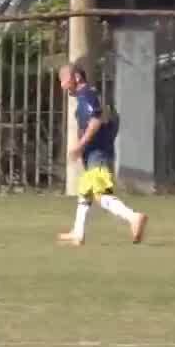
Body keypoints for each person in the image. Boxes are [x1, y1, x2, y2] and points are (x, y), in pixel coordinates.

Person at [57, 63, 148, 246]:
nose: (62, 85)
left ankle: (133, 217)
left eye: (64, 79)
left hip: (97, 154)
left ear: (76, 77)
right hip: (97, 152)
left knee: (102, 195)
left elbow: (96, 120)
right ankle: (78, 233)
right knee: (85, 192)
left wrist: (81, 145)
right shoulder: (90, 96)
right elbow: (113, 119)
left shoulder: (87, 95)